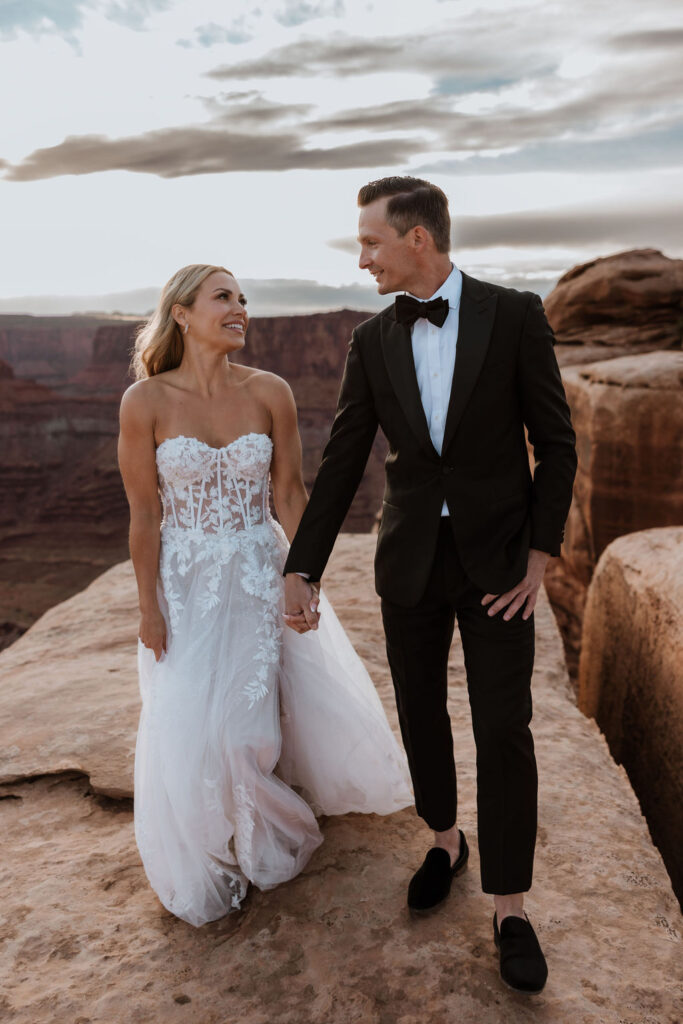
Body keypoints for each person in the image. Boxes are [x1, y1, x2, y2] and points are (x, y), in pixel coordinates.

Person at [282, 177, 577, 993]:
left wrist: (540, 557)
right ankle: (445, 839)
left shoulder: (512, 314)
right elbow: (343, 460)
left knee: (503, 726)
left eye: (370, 242)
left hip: (497, 566)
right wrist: (302, 566)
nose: (361, 258)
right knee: (420, 711)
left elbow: (555, 444)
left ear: (418, 239)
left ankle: (510, 905)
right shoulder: (372, 339)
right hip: (408, 558)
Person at [117, 263, 412, 928]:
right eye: (223, 297)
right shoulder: (145, 403)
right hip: (187, 582)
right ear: (182, 314)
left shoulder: (269, 392)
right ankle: (210, 834)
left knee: (248, 718)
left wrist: (301, 575)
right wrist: (147, 608)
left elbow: (289, 492)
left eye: (243, 299)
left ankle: (261, 829)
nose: (240, 308)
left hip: (258, 565)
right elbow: (143, 516)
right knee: (194, 716)